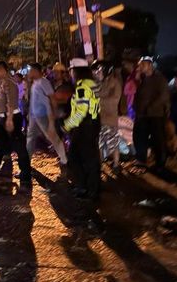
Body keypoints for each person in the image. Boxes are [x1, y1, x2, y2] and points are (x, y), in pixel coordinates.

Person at [0, 60, 31, 184]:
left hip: (11, 118)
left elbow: (11, 103)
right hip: (3, 118)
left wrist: (9, 120)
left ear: (2, 69)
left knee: (19, 146)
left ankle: (26, 173)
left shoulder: (9, 83)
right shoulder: (2, 82)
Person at [63, 58, 101, 199]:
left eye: (71, 70)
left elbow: (80, 112)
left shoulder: (82, 87)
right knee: (90, 157)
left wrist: (67, 125)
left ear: (76, 70)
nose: (70, 73)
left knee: (75, 157)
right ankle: (90, 188)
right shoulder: (92, 83)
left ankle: (85, 188)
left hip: (84, 125)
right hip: (93, 122)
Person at [25, 63, 68, 168]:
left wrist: (53, 116)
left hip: (44, 115)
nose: (29, 73)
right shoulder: (35, 83)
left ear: (36, 71)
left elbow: (52, 98)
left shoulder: (44, 82)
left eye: (31, 70)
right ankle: (26, 163)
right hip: (34, 116)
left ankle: (64, 159)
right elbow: (34, 100)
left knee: (53, 138)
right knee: (30, 138)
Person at [133, 56, 170, 171]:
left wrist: (150, 107)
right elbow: (138, 95)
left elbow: (163, 96)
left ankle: (160, 162)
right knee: (139, 136)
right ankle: (141, 159)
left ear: (150, 65)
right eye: (140, 65)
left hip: (155, 114)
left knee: (158, 139)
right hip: (142, 114)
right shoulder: (143, 79)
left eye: (143, 65)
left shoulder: (159, 78)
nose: (140, 67)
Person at [92, 60, 123, 170]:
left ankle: (116, 164)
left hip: (110, 119)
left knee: (113, 143)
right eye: (97, 70)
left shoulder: (114, 82)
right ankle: (100, 163)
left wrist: (98, 100)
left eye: (100, 69)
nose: (98, 72)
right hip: (98, 119)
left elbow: (114, 100)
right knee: (99, 143)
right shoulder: (98, 83)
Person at [51, 62, 75, 136]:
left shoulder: (68, 87)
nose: (55, 74)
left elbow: (65, 100)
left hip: (64, 117)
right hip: (54, 118)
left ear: (63, 73)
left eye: (57, 72)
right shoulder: (51, 85)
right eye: (54, 72)